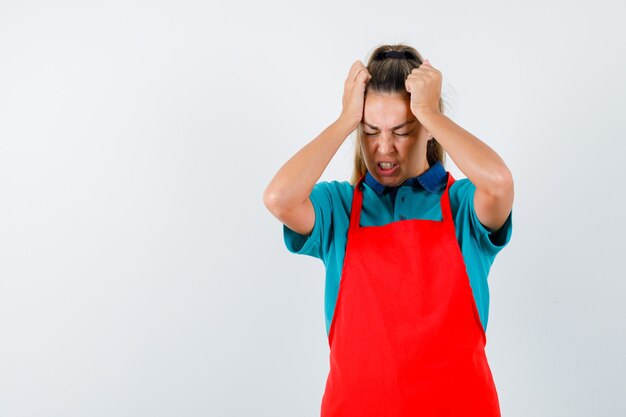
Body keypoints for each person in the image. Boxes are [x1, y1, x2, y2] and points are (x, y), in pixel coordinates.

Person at [263, 43, 514, 417]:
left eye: (402, 130)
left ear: (429, 131)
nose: (384, 148)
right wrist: (344, 119)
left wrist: (429, 111)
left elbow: (500, 183)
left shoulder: (462, 207)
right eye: (369, 131)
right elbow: (278, 198)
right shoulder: (340, 210)